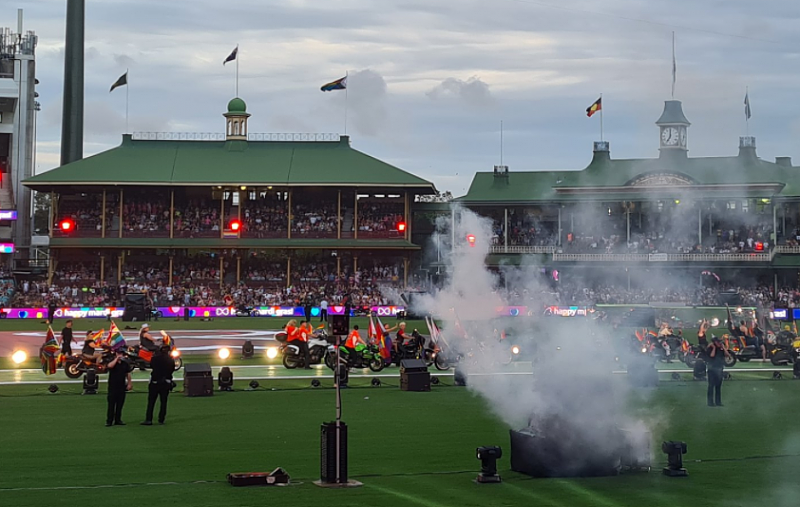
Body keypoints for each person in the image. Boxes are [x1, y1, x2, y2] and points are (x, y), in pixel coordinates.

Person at [141, 343, 176, 426]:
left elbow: (152, 366)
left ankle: (149, 419)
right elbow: (172, 369)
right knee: (163, 402)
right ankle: (161, 419)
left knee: (151, 402)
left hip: (155, 382)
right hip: (166, 383)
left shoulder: (155, 359)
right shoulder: (170, 360)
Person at [105, 351, 132, 427]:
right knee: (111, 404)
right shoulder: (112, 362)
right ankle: (109, 420)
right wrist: (116, 359)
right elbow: (110, 366)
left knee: (120, 404)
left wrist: (129, 383)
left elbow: (128, 374)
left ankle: (118, 419)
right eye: (118, 354)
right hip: (113, 386)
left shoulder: (125, 364)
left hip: (122, 386)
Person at [706, 336, 731, 407]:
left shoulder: (721, 349)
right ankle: (710, 402)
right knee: (711, 386)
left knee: (718, 386)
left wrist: (723, 348)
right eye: (718, 342)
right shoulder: (710, 348)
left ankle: (718, 402)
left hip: (719, 369)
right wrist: (714, 348)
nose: (719, 343)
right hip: (712, 369)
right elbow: (712, 356)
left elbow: (727, 355)